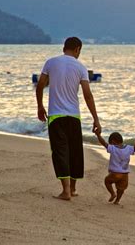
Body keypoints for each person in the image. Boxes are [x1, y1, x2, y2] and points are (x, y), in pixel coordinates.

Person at [36, 37, 101, 200]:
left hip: (56, 116)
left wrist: (40, 106)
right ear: (77, 49)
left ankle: (65, 190)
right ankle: (72, 189)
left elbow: (40, 85)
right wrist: (96, 119)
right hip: (74, 116)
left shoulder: (51, 62)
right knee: (75, 152)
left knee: (60, 152)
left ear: (64, 47)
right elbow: (88, 95)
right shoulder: (81, 67)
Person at [95, 131, 135, 205]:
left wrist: (98, 135)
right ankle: (117, 200)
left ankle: (112, 194)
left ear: (112, 141)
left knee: (107, 181)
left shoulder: (113, 148)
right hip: (125, 174)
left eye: (110, 143)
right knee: (121, 189)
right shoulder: (128, 148)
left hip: (115, 173)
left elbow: (104, 143)